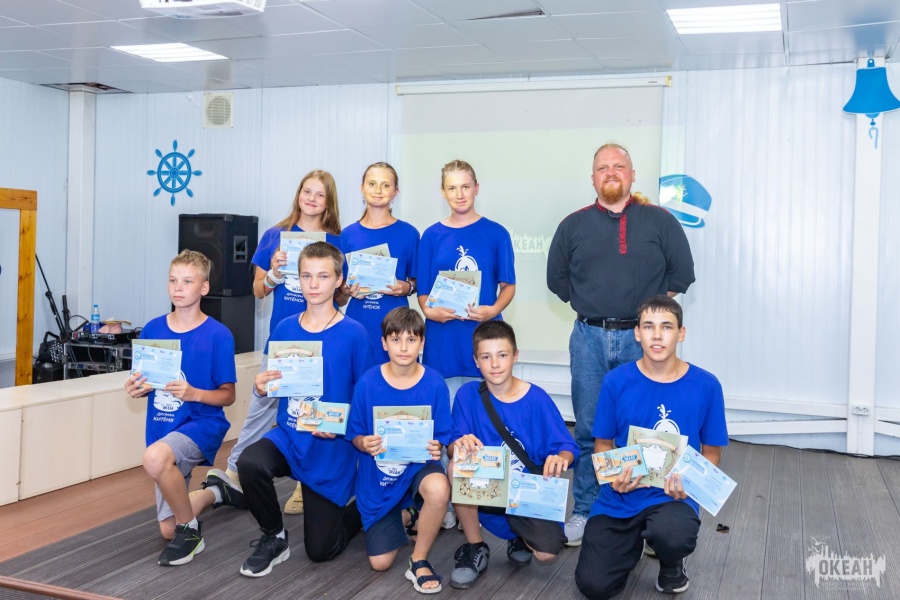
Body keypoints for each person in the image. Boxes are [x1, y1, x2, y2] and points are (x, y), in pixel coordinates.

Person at [546, 143, 695, 546]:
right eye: (603, 167)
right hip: (588, 339)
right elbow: (557, 281)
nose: (611, 172)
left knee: (643, 433)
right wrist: (595, 304)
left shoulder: (660, 221)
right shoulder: (572, 225)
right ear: (592, 178)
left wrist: (648, 319)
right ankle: (586, 509)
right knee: (589, 429)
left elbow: (681, 275)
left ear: (632, 175)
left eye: (619, 166)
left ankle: (646, 515)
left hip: (641, 342)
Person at [574, 295, 728, 598]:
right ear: (637, 333)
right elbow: (602, 444)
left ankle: (671, 562)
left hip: (672, 498)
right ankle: (629, 544)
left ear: (681, 333)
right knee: (594, 586)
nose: (657, 335)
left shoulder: (707, 385)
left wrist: (690, 484)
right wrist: (613, 477)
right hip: (620, 497)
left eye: (666, 327)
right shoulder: (615, 381)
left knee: (673, 534)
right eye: (648, 326)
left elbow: (712, 453)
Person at [235, 242, 371, 577]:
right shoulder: (285, 328)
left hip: (331, 445)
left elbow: (365, 398)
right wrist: (261, 386)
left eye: (323, 276)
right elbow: (276, 382)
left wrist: (340, 425)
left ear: (338, 280)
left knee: (320, 551)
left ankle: (364, 511)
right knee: (249, 462)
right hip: (290, 435)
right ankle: (274, 536)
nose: (313, 284)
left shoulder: (355, 334)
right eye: (307, 276)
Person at [226, 169, 342, 516]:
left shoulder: (336, 241)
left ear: (328, 202)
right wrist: (275, 273)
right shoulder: (274, 235)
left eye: (319, 194)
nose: (312, 199)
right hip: (282, 339)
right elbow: (258, 290)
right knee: (261, 407)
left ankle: (306, 484)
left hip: (324, 340)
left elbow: (342, 297)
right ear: (298, 194)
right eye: (307, 191)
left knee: (313, 410)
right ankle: (233, 472)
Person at [124, 250, 242, 566]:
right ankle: (217, 491)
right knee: (166, 530)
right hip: (163, 427)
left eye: (187, 281)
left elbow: (228, 396)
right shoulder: (152, 329)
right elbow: (145, 383)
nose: (178, 287)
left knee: (154, 459)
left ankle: (190, 532)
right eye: (173, 280)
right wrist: (136, 389)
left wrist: (194, 393)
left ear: (204, 287)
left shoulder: (219, 335)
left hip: (202, 424)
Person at [417, 159, 516, 529]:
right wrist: (431, 311)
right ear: (443, 192)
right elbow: (423, 293)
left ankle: (478, 499)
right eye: (451, 188)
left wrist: (492, 310)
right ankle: (444, 501)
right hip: (443, 342)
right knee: (444, 427)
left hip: (482, 342)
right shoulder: (431, 236)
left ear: (477, 188)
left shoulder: (496, 233)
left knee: (483, 423)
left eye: (465, 186)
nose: (459, 194)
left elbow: (508, 286)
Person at [447, 321, 577, 590]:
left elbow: (567, 446)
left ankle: (520, 537)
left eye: (502, 355)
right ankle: (475, 545)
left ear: (515, 355)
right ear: (476, 361)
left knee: (546, 553)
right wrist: (458, 444)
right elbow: (451, 446)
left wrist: (561, 458)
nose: (495, 364)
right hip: (485, 490)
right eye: (486, 357)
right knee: (455, 466)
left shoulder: (537, 398)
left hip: (525, 492)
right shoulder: (467, 395)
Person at [346, 307, 451, 594]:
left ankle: (419, 559)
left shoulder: (435, 382)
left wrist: (437, 445)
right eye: (395, 339)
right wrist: (363, 443)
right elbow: (355, 434)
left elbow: (442, 435)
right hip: (379, 476)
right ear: (384, 343)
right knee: (380, 563)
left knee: (439, 488)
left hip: (418, 466)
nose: (403, 347)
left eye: (411, 340)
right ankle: (408, 514)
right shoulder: (367, 382)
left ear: (422, 343)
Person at [340, 162, 420, 363]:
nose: (378, 190)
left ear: (395, 192)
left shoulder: (409, 234)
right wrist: (346, 289)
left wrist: (407, 287)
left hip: (397, 327)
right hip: (358, 323)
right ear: (362, 188)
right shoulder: (348, 234)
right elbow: (340, 284)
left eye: (385, 185)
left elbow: (419, 282)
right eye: (372, 184)